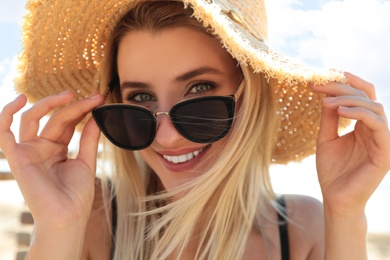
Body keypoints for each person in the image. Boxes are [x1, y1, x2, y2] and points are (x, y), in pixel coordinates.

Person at [0, 0, 389, 259]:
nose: (167, 137)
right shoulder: (93, 216)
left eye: (200, 89)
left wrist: (347, 213)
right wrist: (58, 226)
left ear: (249, 96)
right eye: (140, 99)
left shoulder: (307, 229)